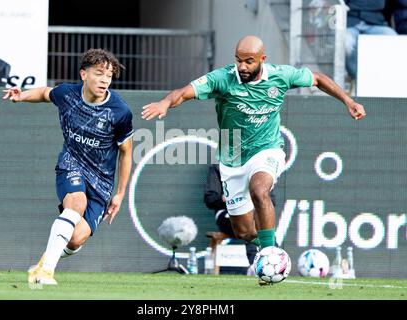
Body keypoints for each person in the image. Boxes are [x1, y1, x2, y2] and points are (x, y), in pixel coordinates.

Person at [142, 35, 366, 282]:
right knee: (245, 231)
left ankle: (271, 255)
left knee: (260, 190)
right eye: (238, 60)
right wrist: (165, 102)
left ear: (262, 59)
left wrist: (348, 100)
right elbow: (183, 93)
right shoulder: (222, 79)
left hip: (267, 149)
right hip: (233, 158)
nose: (242, 67)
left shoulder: (281, 75)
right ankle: (271, 248)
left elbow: (318, 79)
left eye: (249, 61)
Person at [2, 48, 134, 285]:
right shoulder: (67, 94)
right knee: (76, 203)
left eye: (109, 75)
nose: (105, 80)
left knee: (75, 239)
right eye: (99, 73)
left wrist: (120, 193)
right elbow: (44, 93)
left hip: (102, 181)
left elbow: (126, 152)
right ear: (84, 74)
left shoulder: (120, 112)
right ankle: (45, 273)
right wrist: (21, 96)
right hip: (71, 163)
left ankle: (46, 260)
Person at [204, 164, 277, 274]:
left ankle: (273, 263)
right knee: (249, 227)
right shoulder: (218, 167)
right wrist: (231, 198)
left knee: (261, 226)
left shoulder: (258, 166)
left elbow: (270, 201)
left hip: (253, 213)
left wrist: (255, 198)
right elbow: (210, 199)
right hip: (227, 213)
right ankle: (258, 265)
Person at [345, 0, 397, 82]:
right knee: (346, 42)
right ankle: (357, 79)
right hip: (349, 23)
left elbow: (386, 7)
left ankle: (378, 80)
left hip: (375, 23)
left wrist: (355, 5)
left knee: (393, 39)